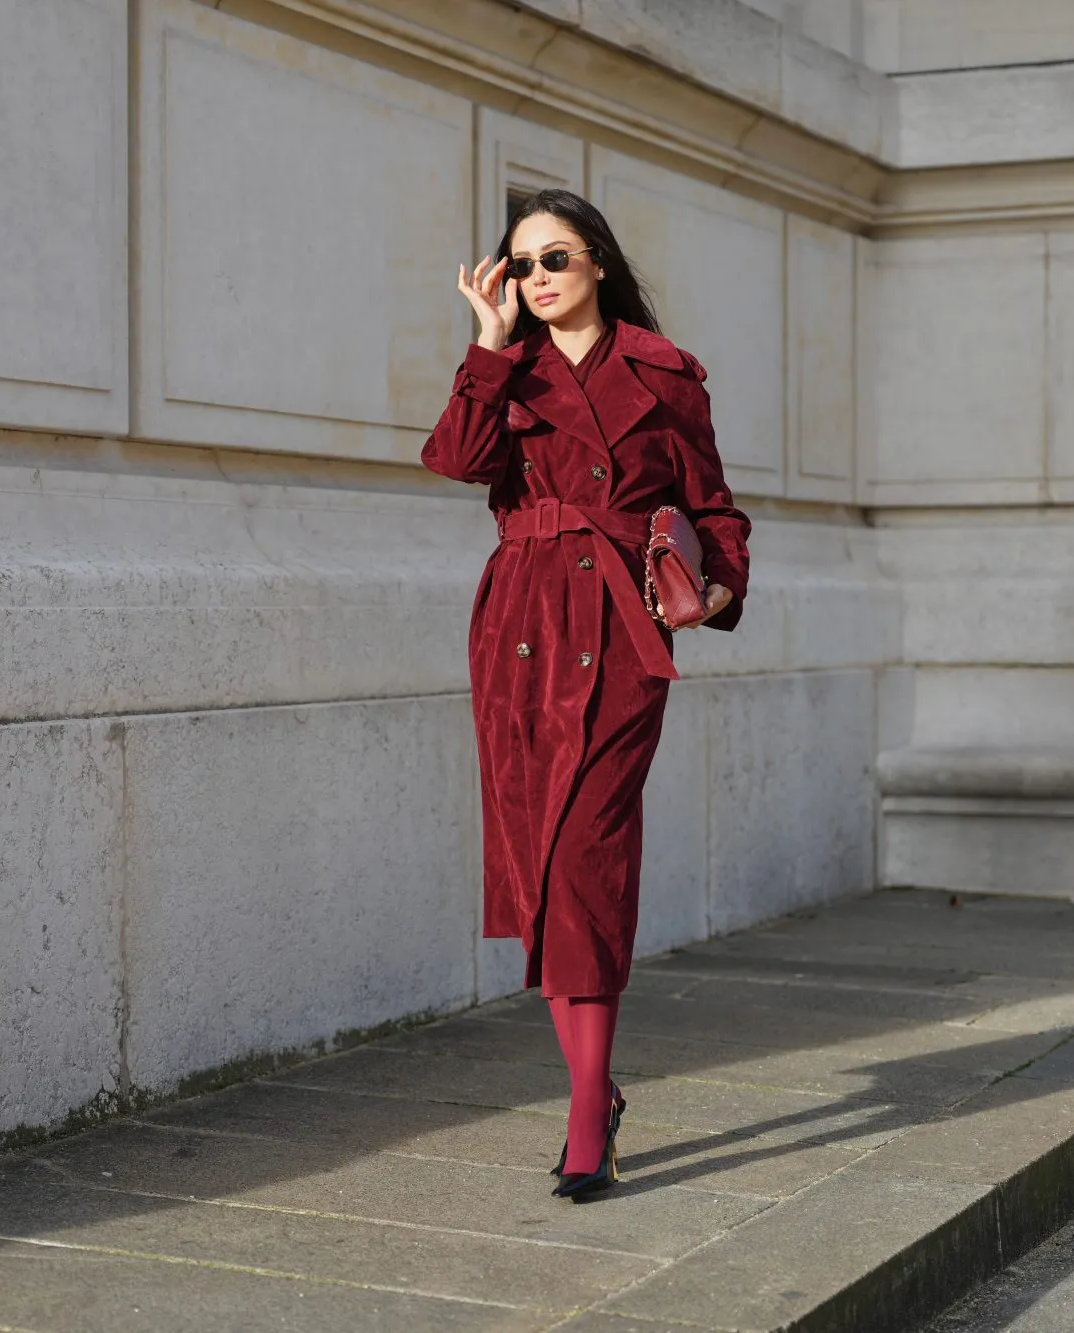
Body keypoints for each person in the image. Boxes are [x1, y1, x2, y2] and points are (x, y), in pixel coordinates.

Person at [422, 189, 752, 1200]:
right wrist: (486, 342)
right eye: (519, 266)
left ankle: (582, 1108)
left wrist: (721, 579)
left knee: (585, 854)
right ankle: (592, 1094)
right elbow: (456, 460)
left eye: (555, 257)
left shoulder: (663, 375)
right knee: (541, 863)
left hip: (615, 631)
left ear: (598, 261)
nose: (538, 279)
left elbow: (709, 503)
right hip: (518, 626)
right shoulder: (503, 372)